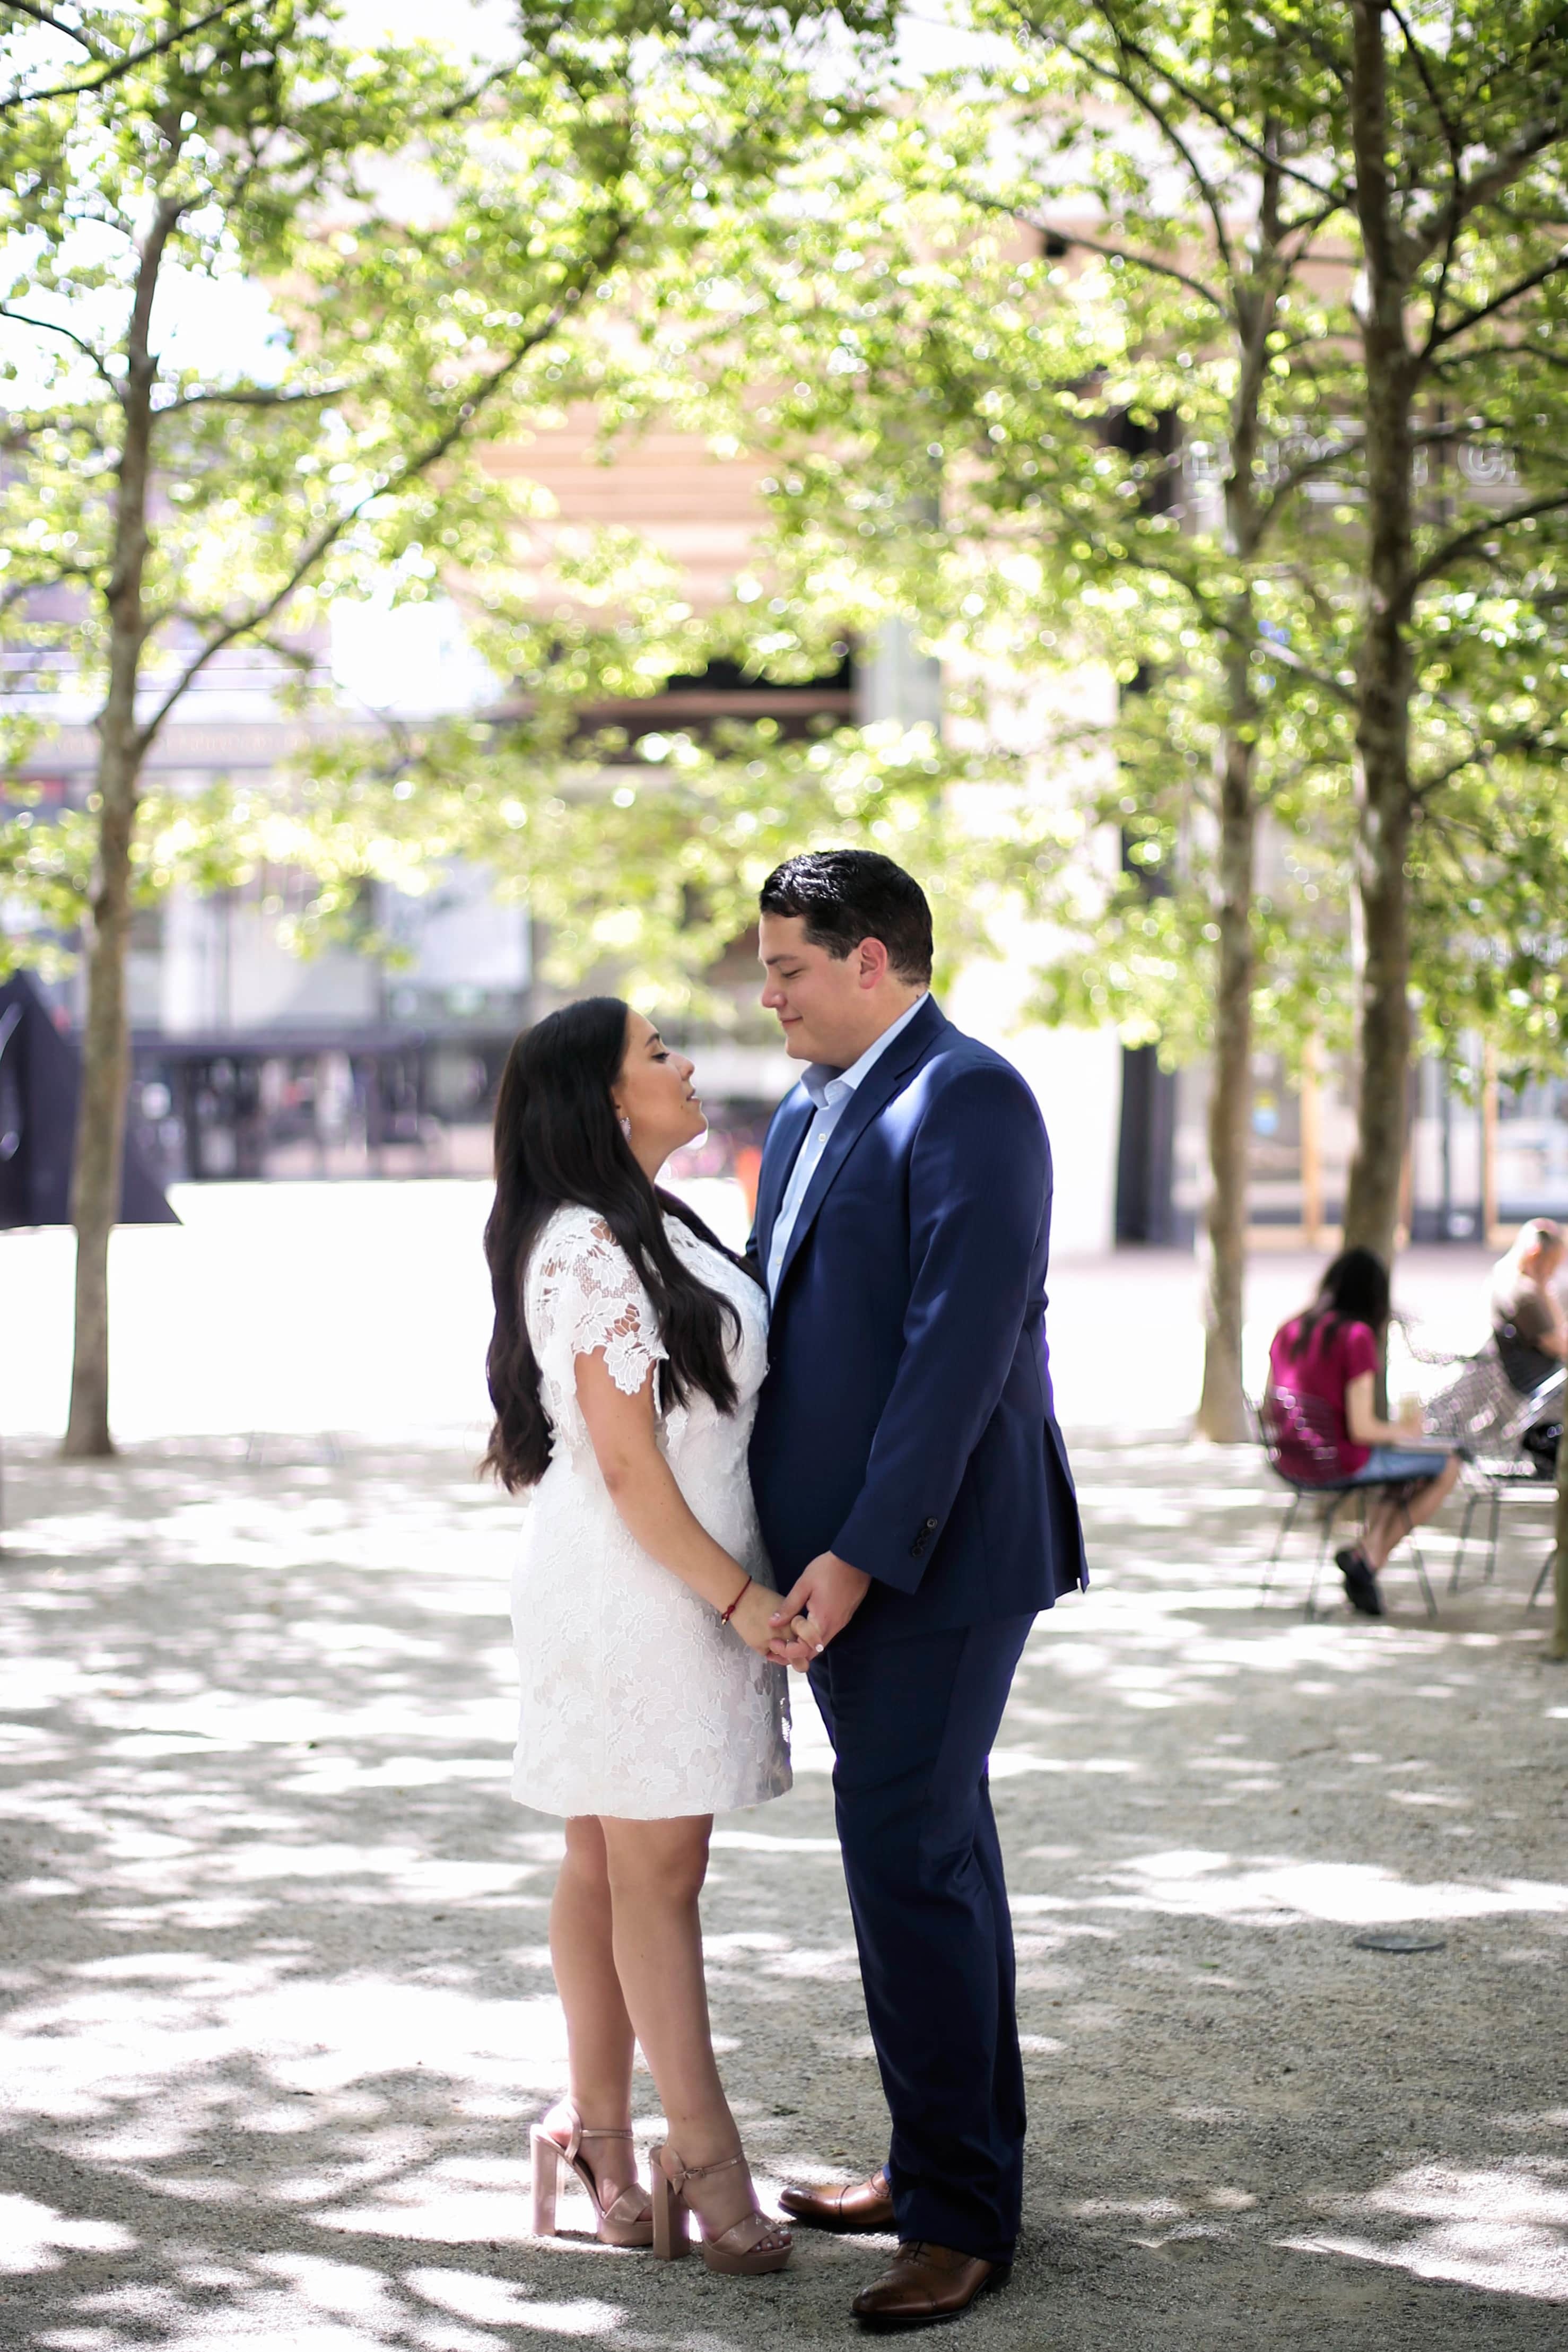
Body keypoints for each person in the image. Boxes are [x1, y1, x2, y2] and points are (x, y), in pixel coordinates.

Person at [745, 850, 1087, 2331]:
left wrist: (858, 1552)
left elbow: (958, 1348)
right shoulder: (806, 1106)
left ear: (870, 958)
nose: (768, 999)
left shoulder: (972, 1098)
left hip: (934, 1560)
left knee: (909, 1860)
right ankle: (942, 2165)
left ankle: (958, 2218)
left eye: (788, 970)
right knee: (927, 1857)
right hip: (843, 1561)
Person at [484, 998, 794, 2275]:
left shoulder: (657, 1219)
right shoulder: (585, 1247)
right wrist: (739, 1601)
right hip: (636, 1591)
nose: (686, 1063)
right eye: (658, 1052)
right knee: (656, 1875)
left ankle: (597, 2136)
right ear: (609, 1099)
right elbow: (625, 1465)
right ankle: (702, 2156)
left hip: (672, 1575)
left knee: (606, 1863)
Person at [1266, 1247, 1459, 1619]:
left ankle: (1365, 1557)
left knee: (1405, 1474)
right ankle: (1369, 1560)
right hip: (1339, 1461)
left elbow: (1267, 1406)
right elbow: (1362, 1429)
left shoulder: (1289, 1329)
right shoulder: (1356, 1337)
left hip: (1289, 1457)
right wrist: (1405, 1431)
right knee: (1447, 1466)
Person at [1489, 1219, 1567, 1397]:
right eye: (1552, 1264)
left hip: (1535, 1376)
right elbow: (1560, 1347)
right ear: (1535, 1255)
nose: (1553, 1273)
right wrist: (1544, 1288)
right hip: (1540, 1381)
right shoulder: (1524, 1293)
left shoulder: (1506, 1275)